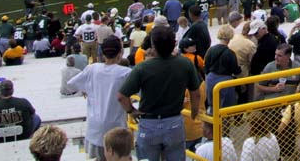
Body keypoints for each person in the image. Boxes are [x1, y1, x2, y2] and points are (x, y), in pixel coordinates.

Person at [117, 26, 201, 161]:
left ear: (153, 45)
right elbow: (195, 93)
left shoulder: (142, 68)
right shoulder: (185, 63)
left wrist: (131, 111)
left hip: (149, 124)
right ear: (174, 43)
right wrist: (194, 111)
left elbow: (121, 96)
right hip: (174, 122)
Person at [67, 36, 130, 161]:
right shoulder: (125, 72)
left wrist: (86, 89)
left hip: (95, 127)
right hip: (116, 127)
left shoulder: (92, 68)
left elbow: (71, 84)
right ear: (120, 53)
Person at [204, 25, 241, 110]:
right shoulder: (230, 53)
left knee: (212, 106)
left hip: (211, 78)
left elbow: (206, 66)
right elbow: (236, 71)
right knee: (225, 108)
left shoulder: (210, 50)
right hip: (225, 80)